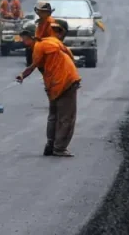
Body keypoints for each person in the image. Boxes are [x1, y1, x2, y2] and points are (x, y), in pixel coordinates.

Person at [16, 22, 81, 157]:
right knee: (64, 116)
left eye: (24, 37)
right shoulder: (47, 44)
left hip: (63, 82)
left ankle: (52, 145)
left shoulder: (43, 45)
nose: (23, 41)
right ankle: (58, 147)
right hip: (61, 83)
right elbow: (68, 53)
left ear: (33, 36)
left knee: (57, 116)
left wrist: (23, 75)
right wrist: (23, 75)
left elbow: (34, 66)